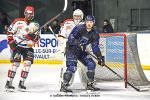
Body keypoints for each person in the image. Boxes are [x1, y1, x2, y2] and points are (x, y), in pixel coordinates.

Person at [60, 15, 105, 92]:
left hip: (81, 51)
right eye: (88, 22)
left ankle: (90, 85)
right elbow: (71, 39)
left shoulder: (95, 34)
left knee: (91, 64)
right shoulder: (79, 28)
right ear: (85, 22)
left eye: (91, 22)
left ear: (93, 23)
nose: (89, 23)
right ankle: (64, 85)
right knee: (72, 67)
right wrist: (77, 44)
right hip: (71, 50)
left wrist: (100, 57)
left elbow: (95, 47)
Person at [5, 6, 40, 91]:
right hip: (17, 46)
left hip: (28, 47)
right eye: (27, 13)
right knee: (15, 64)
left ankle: (21, 83)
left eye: (31, 14)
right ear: (24, 13)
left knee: (27, 64)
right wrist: (11, 43)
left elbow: (37, 39)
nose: (29, 15)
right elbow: (9, 32)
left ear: (33, 14)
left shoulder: (36, 24)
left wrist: (33, 37)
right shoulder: (17, 22)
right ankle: (8, 83)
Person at [57, 9, 84, 86]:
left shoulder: (85, 25)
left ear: (82, 16)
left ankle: (88, 84)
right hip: (70, 50)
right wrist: (65, 42)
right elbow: (60, 36)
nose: (77, 17)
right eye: (75, 16)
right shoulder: (67, 23)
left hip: (81, 51)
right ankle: (64, 83)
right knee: (68, 67)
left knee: (84, 68)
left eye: (79, 16)